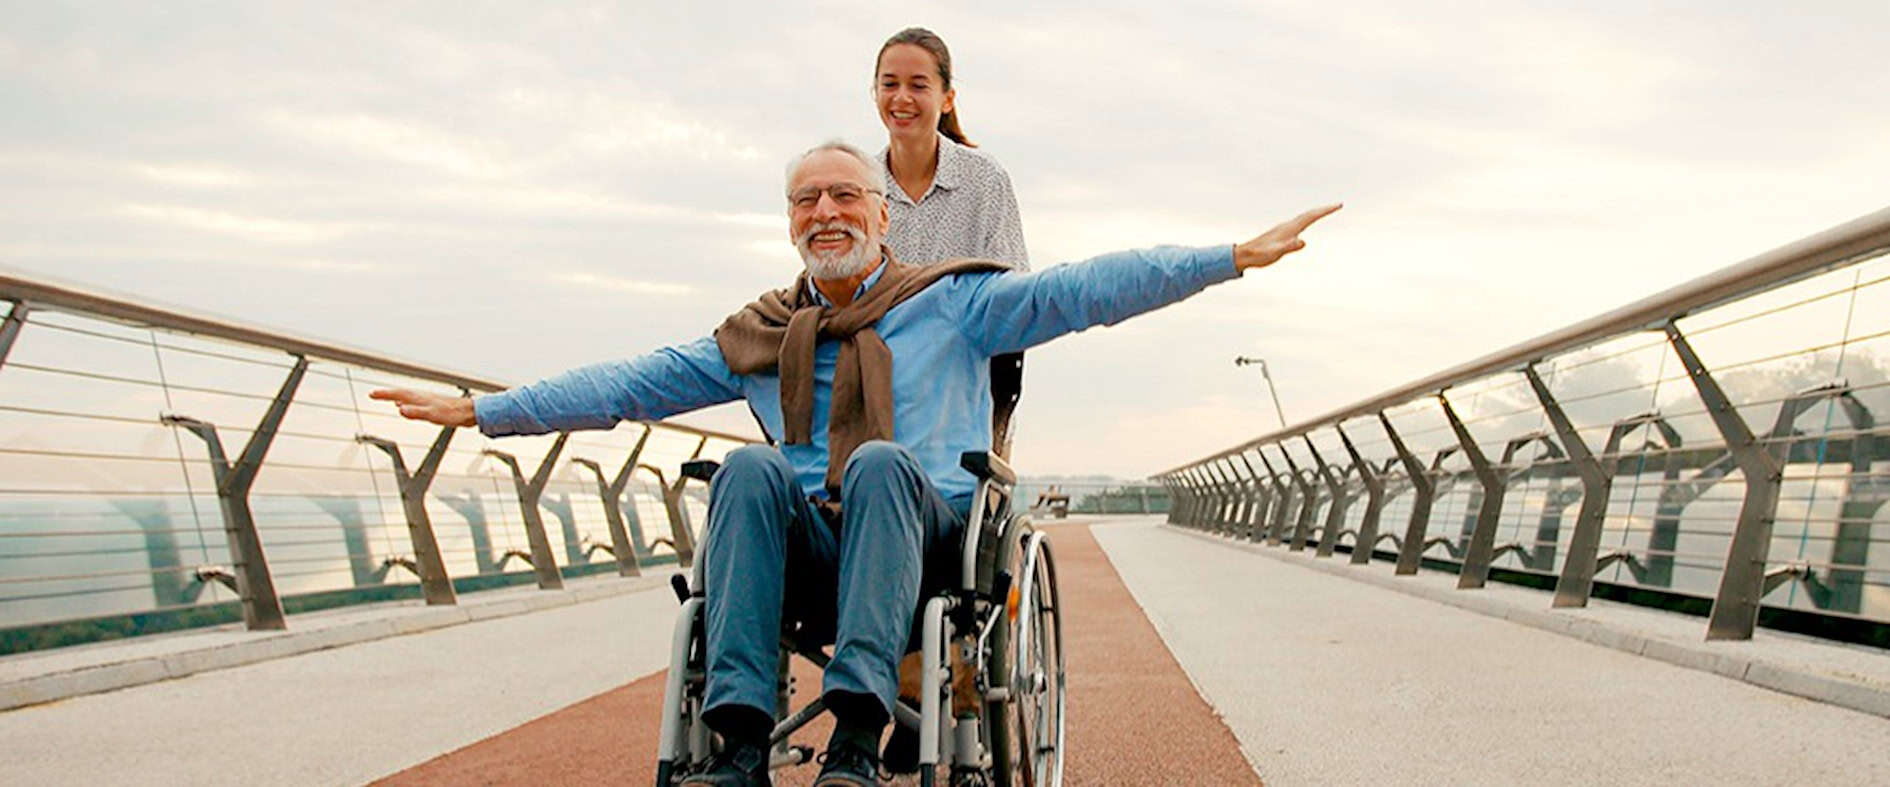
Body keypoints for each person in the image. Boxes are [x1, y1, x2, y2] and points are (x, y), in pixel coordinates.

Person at [372, 140, 1338, 787]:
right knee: (748, 472)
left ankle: (862, 734)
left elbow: (1083, 291)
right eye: (807, 201)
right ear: (791, 222)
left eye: (844, 196)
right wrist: (485, 410)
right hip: (809, 548)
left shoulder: (954, 305)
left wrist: (1228, 257)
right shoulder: (759, 333)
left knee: (879, 461)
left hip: (925, 541)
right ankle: (744, 738)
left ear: (881, 214)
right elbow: (631, 382)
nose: (825, 212)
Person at [873, 27, 1028, 270]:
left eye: (918, 86)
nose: (902, 97)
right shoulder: (861, 188)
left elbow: (1012, 288)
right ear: (875, 93)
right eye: (890, 84)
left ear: (947, 99)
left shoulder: (985, 179)